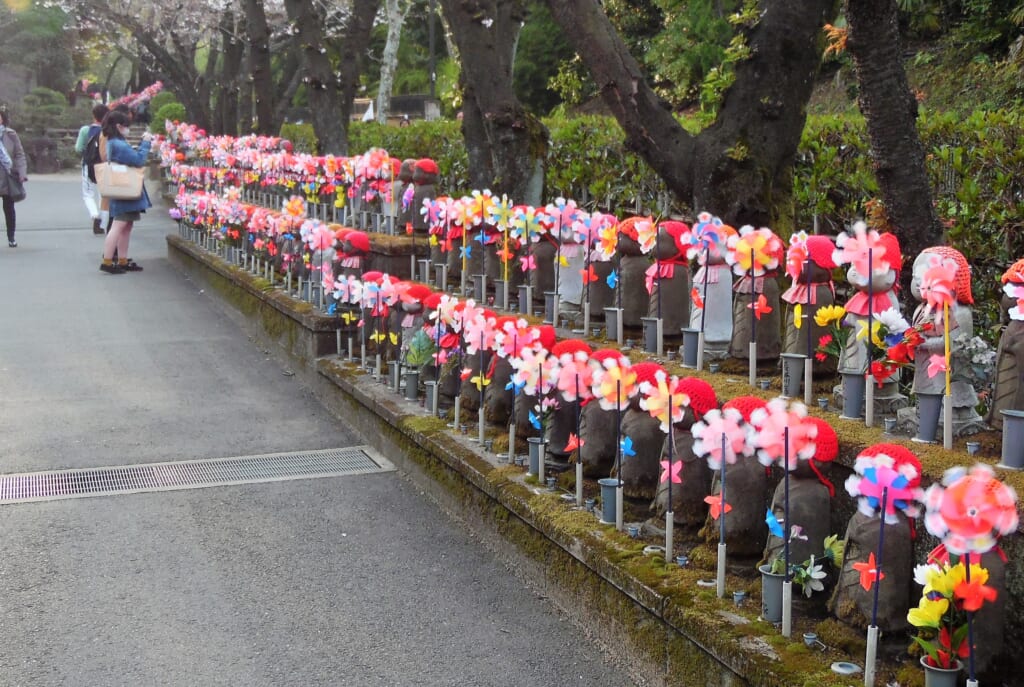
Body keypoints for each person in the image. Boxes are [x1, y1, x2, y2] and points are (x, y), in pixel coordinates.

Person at [99, 110, 153, 274]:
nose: (128, 129)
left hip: (122, 187)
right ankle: (108, 261)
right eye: (126, 126)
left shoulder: (113, 142)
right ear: (119, 126)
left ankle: (122, 259)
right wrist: (145, 143)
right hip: (125, 188)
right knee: (118, 225)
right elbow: (138, 160)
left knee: (126, 225)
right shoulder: (119, 144)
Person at [75, 103, 109, 234]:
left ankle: (95, 216)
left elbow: (78, 148)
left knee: (88, 193)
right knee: (103, 193)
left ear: (94, 116)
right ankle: (103, 220)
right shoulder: (107, 131)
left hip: (88, 164)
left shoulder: (85, 130)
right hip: (103, 165)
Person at [0, 110, 27, 248]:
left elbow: (19, 154)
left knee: (8, 207)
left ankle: (11, 236)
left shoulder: (10, 134)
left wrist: (22, 173)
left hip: (7, 175)